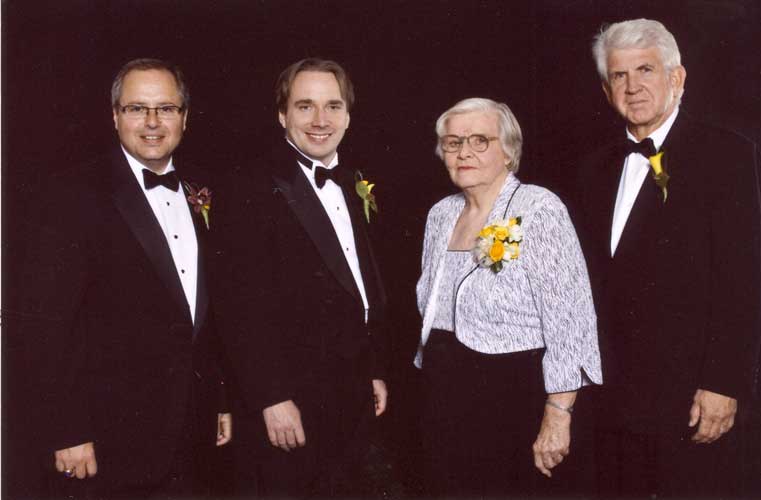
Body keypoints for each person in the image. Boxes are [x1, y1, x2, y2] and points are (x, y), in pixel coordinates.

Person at [15, 58, 231, 499]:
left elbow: (207, 313)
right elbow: (43, 326)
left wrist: (220, 400)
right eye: (137, 109)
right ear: (115, 117)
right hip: (102, 444)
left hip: (192, 436)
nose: (152, 122)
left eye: (166, 109)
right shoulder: (70, 195)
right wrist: (67, 430)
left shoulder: (203, 191)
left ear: (184, 118)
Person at [570, 19, 761, 498]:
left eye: (646, 70)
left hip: (690, 399)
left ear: (677, 78)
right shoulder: (593, 167)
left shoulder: (730, 155)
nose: (632, 86)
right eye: (619, 76)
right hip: (611, 398)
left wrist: (723, 383)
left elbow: (746, 281)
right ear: (605, 88)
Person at [211, 58, 389, 498]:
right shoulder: (249, 185)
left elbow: (358, 288)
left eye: (333, 105)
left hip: (350, 395)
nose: (320, 120)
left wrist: (373, 370)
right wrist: (271, 398)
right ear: (282, 114)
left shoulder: (351, 182)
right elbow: (238, 305)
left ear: (348, 115)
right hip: (289, 404)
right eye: (305, 106)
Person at [414, 97, 602, 498]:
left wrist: (558, 413)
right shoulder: (440, 215)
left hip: (514, 396)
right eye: (452, 142)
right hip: (444, 392)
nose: (464, 151)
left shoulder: (538, 208)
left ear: (508, 151)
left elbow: (571, 319)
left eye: (480, 140)